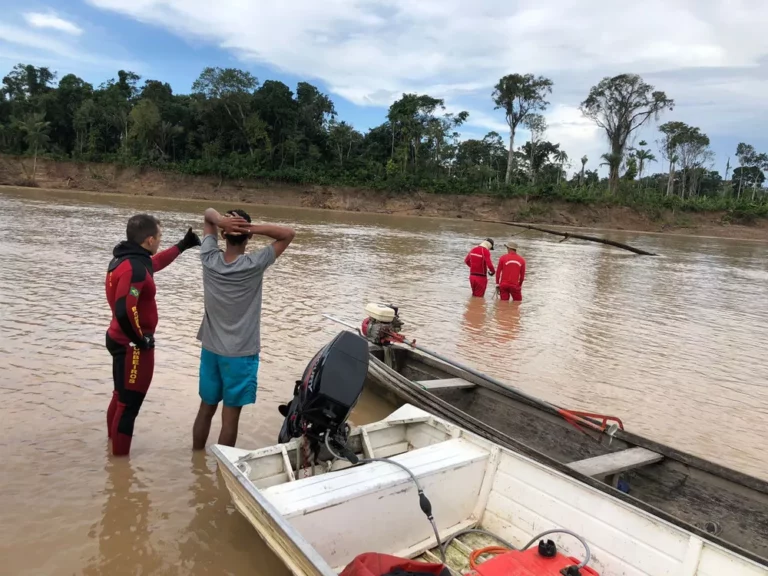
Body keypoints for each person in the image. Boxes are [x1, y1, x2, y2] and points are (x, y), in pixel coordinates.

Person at [192, 208, 295, 450]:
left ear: (223, 235)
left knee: (206, 408)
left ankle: (196, 459)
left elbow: (207, 215)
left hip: (211, 349)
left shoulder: (209, 259)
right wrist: (249, 227)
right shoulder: (254, 264)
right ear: (249, 237)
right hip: (240, 354)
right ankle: (221, 469)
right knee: (230, 418)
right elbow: (288, 234)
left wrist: (221, 221)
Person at [105, 214, 201, 456]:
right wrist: (140, 340)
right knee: (129, 406)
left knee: (120, 397)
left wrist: (182, 245)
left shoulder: (125, 259)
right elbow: (125, 310)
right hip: (132, 346)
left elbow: (154, 263)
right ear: (149, 240)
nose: (160, 241)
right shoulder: (135, 268)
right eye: (159, 237)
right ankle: (120, 466)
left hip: (117, 337)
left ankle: (112, 451)